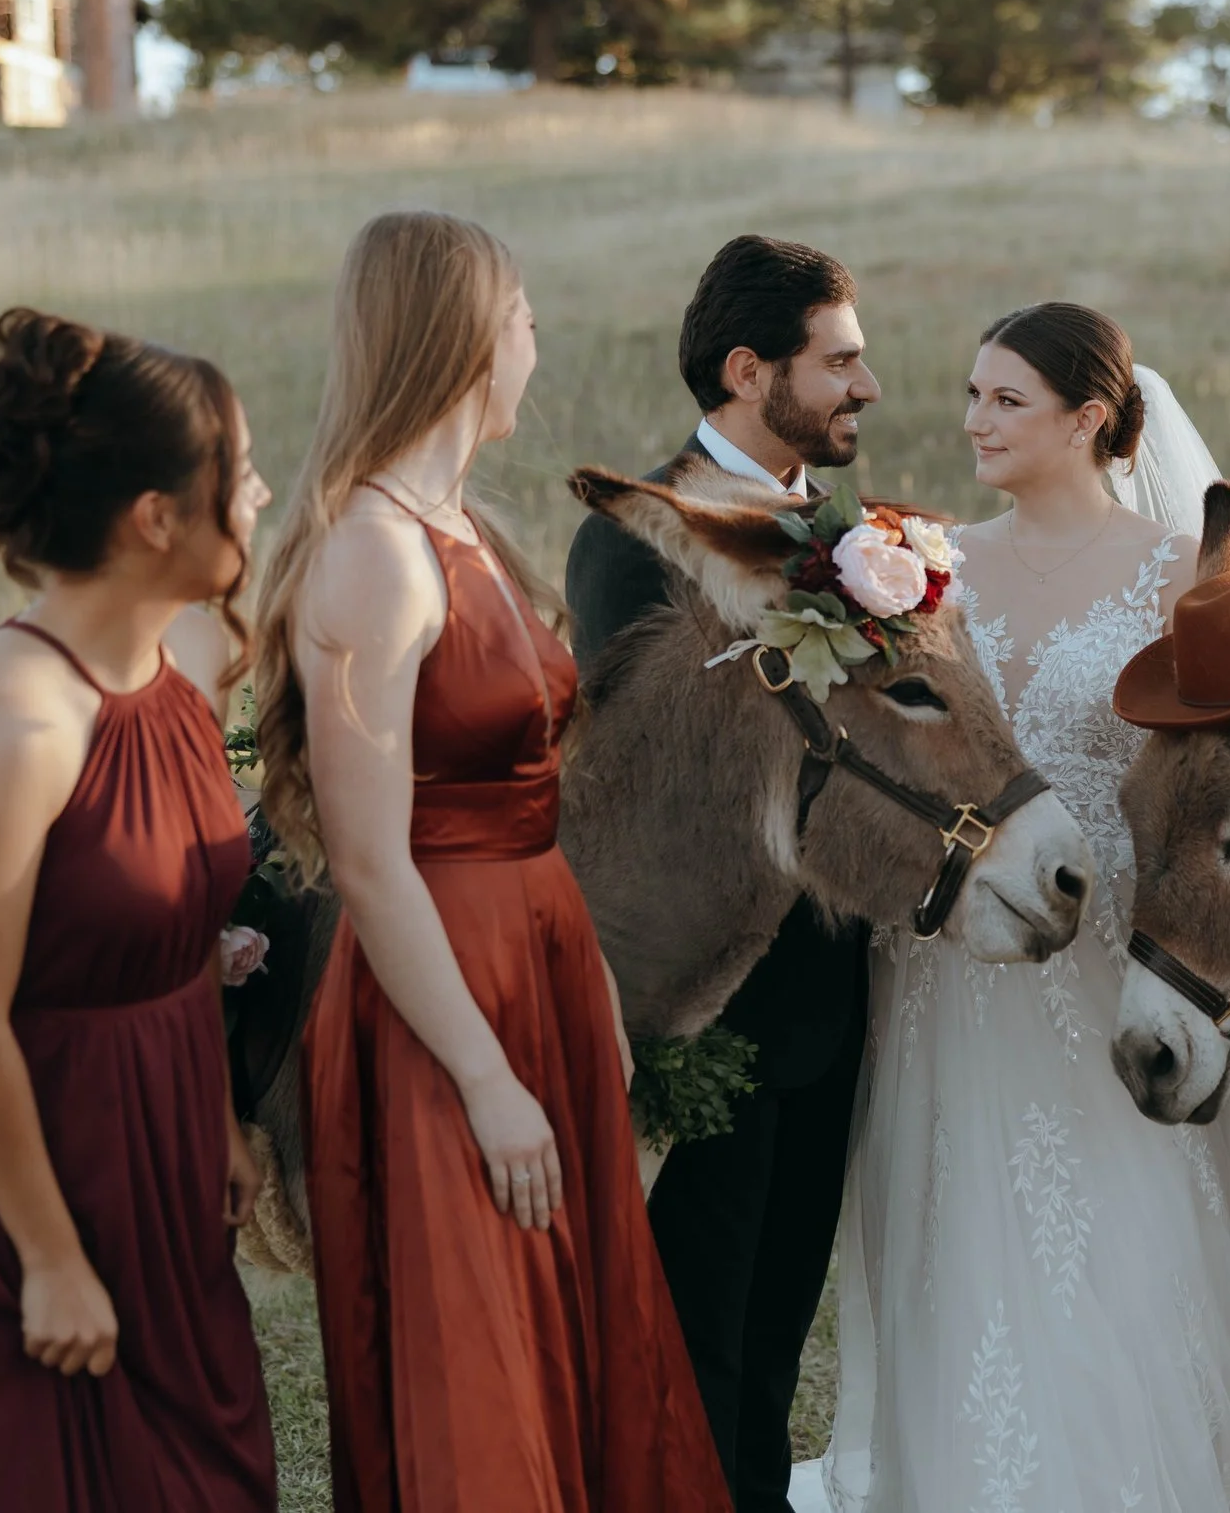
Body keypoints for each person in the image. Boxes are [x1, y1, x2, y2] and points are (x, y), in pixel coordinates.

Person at [256, 212, 724, 1513]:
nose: (535, 344)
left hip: (536, 958)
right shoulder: (373, 553)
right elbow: (365, 853)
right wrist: (484, 1074)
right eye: (520, 319)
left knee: (564, 1340)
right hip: (441, 993)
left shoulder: (461, 526)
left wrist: (586, 1022)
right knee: (475, 1359)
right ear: (464, 340)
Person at [816, 303, 1230, 1513]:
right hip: (952, 973)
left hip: (1113, 958)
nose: (973, 419)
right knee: (957, 1244)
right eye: (973, 393)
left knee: (1126, 1250)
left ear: (1089, 417)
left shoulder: (1178, 571)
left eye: (1006, 400)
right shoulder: (925, 562)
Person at [0, 309, 277, 1511]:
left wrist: (213, 1118)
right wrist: (47, 1257)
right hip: (16, 1174)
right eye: (236, 476)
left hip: (153, 1145)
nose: (256, 497)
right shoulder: (13, 717)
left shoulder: (179, 665)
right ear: (155, 516)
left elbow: (173, 931)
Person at [563, 233, 879, 1513]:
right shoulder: (636, 537)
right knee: (697, 1337)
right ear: (752, 369)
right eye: (841, 360)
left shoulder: (850, 530)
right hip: (713, 1008)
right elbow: (665, 787)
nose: (866, 385)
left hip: (830, 996)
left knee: (771, 1340)